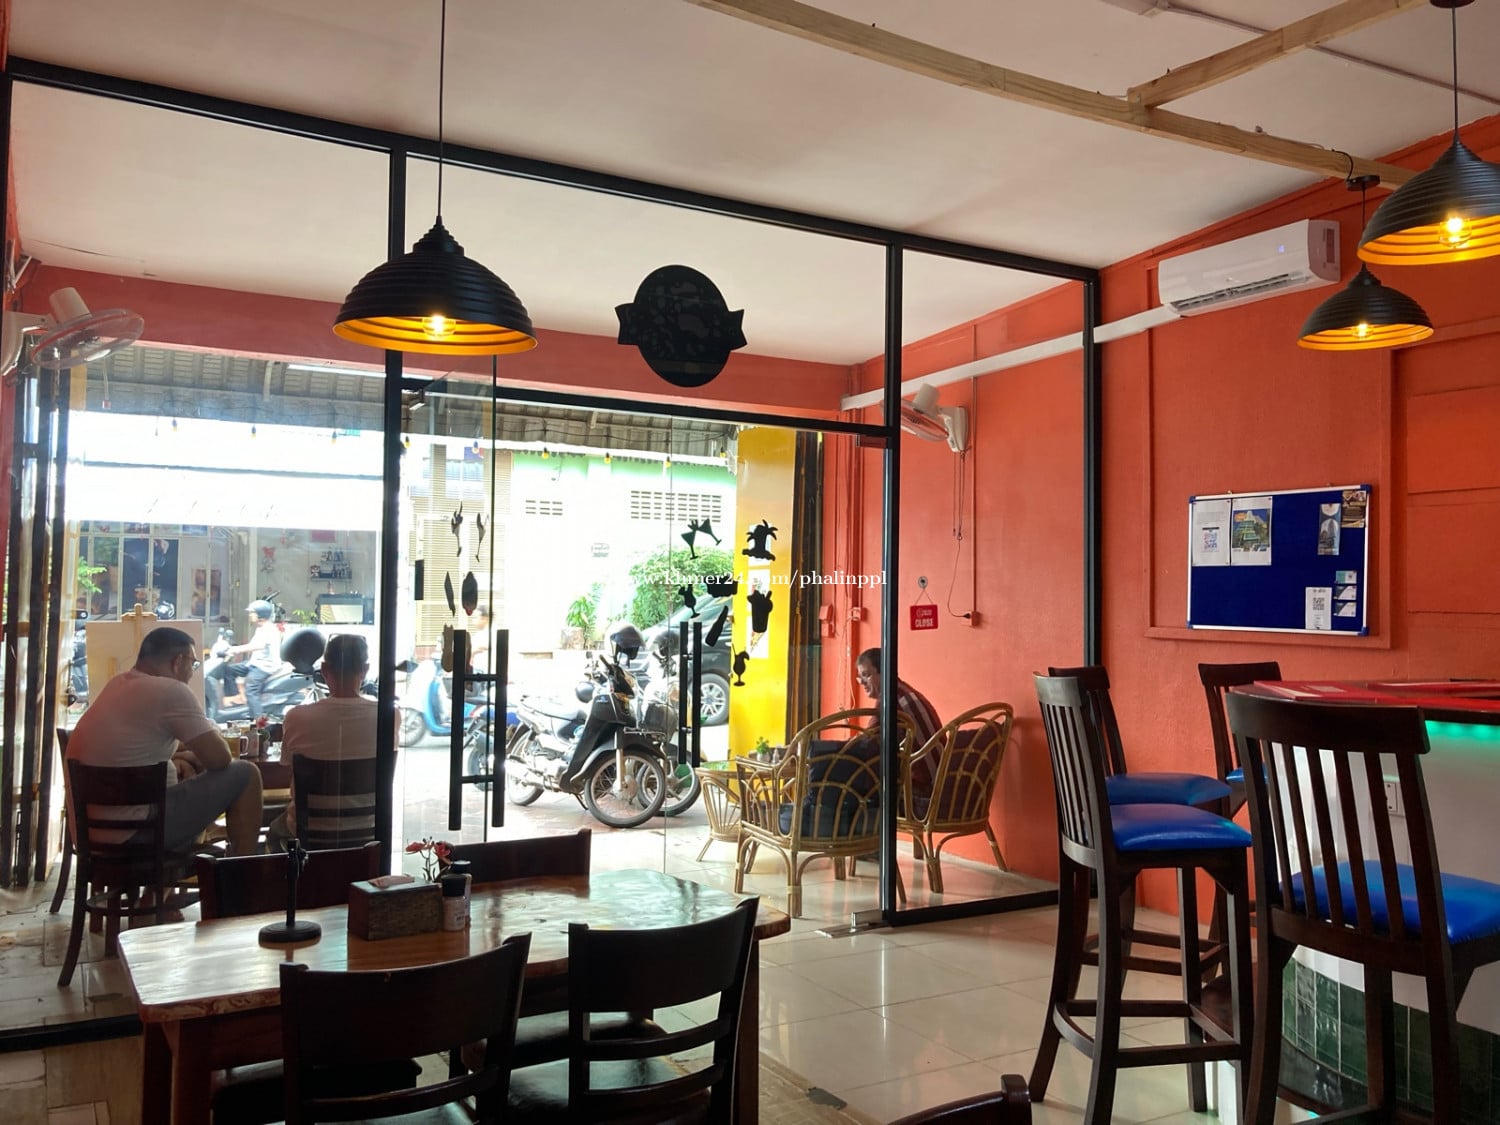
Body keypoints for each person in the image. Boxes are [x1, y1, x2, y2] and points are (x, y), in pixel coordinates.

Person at [65, 625, 263, 856]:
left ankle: (210, 864)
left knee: (186, 767)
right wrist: (209, 732)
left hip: (92, 836)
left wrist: (182, 757)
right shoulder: (171, 690)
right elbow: (220, 759)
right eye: (193, 664)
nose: (192, 673)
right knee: (245, 773)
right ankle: (242, 871)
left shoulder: (118, 684)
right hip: (137, 833)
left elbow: (142, 747)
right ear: (178, 661)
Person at [266, 634, 377, 851]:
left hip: (308, 830)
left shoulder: (296, 717)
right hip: (368, 831)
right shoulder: (389, 717)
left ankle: (292, 874)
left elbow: (287, 772)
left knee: (274, 831)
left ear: (325, 670)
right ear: (365, 670)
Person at [855, 647, 943, 800]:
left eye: (866, 675)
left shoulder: (889, 700)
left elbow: (865, 743)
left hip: (921, 791)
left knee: (858, 788)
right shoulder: (906, 691)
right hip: (943, 783)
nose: (862, 682)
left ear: (884, 672)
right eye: (860, 677)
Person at [216, 600, 282, 718]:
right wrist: (230, 649)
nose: (250, 615)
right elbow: (252, 646)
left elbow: (257, 646)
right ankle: (236, 699)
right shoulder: (260, 628)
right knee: (228, 670)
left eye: (252, 613)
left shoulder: (269, 629)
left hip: (265, 667)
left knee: (250, 691)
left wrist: (235, 650)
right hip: (254, 663)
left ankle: (259, 721)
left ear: (260, 614)